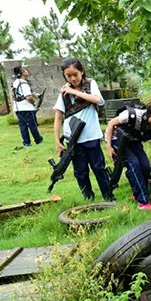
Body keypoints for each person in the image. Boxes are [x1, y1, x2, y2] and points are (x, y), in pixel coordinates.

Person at [53, 57, 115, 201]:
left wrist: (74, 92)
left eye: (75, 74)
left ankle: (109, 196)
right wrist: (57, 141)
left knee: (99, 168)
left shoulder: (90, 84)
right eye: (68, 76)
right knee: (80, 172)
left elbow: (98, 100)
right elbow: (58, 118)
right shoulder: (63, 93)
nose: (73, 78)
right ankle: (88, 197)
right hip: (73, 140)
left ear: (82, 71)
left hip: (92, 137)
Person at [104, 98, 151, 210]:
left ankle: (137, 192)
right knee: (134, 164)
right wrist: (109, 147)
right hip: (116, 139)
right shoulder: (132, 115)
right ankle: (143, 202)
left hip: (133, 140)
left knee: (146, 167)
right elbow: (111, 124)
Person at [12, 66, 43, 147]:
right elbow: (28, 97)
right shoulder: (24, 83)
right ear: (22, 73)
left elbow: (22, 93)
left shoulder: (16, 82)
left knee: (23, 126)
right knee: (32, 125)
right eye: (25, 70)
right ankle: (38, 140)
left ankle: (26, 143)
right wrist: (34, 102)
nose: (27, 71)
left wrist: (36, 95)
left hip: (18, 108)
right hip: (26, 108)